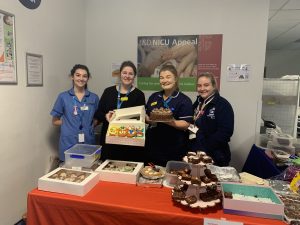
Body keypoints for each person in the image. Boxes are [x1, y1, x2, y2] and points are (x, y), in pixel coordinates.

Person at [94, 60, 146, 162]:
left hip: (130, 142)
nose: (127, 76)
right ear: (120, 74)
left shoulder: (139, 95)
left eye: (130, 73)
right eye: (124, 73)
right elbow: (98, 113)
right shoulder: (108, 92)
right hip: (110, 142)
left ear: (134, 76)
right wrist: (106, 116)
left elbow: (140, 118)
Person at [145, 64, 193, 166]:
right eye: (161, 78)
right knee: (151, 176)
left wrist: (170, 122)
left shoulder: (184, 100)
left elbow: (186, 124)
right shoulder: (154, 97)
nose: (164, 80)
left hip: (174, 149)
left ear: (175, 79)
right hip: (153, 147)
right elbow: (147, 116)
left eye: (168, 77)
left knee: (171, 178)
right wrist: (147, 119)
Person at [50, 64, 99, 161]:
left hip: (88, 141)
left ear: (88, 78)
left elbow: (97, 118)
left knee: (88, 170)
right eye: (78, 75)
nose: (81, 78)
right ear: (72, 77)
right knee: (70, 173)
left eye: (84, 76)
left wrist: (89, 127)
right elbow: (54, 121)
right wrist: (68, 123)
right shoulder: (63, 97)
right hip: (69, 142)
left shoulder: (94, 98)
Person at [189, 72, 234, 166]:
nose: (202, 89)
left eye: (206, 85)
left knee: (212, 180)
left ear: (214, 86)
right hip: (196, 154)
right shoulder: (197, 103)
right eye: (199, 86)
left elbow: (225, 132)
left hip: (215, 156)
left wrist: (205, 148)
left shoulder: (222, 104)